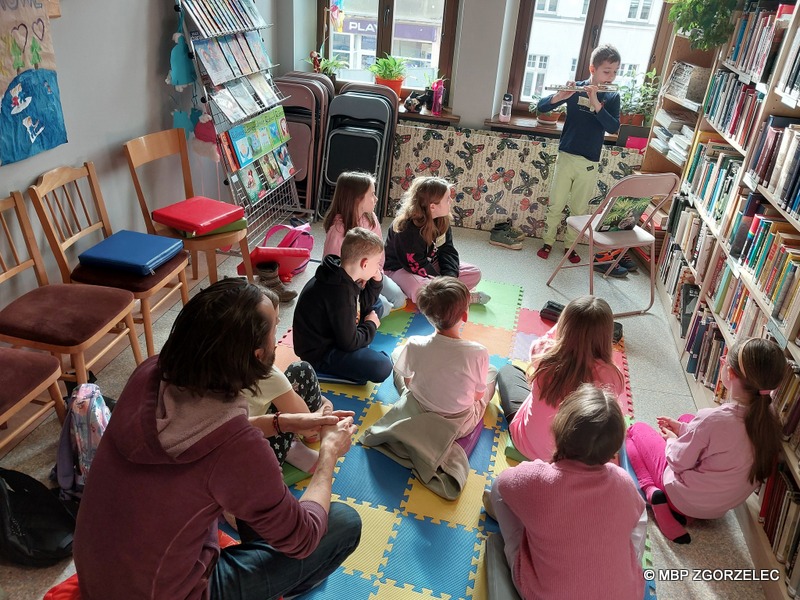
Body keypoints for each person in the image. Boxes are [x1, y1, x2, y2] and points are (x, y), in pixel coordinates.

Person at [73, 278, 362, 600]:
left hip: (99, 576)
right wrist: (329, 455)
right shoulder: (238, 448)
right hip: (171, 593)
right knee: (342, 522)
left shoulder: (150, 372)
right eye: (274, 332)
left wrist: (282, 422)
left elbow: (201, 437)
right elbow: (304, 538)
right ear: (256, 356)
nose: (278, 342)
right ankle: (288, 589)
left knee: (259, 494)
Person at [485, 383, 646, 600]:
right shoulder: (624, 483)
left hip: (544, 594)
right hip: (626, 594)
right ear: (614, 448)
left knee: (499, 490)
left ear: (560, 429)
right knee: (636, 515)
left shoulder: (538, 479)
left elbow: (502, 484)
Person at [626, 337, 787, 544]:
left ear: (729, 373)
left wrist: (672, 440)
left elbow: (677, 461)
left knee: (634, 431)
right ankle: (683, 511)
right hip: (716, 508)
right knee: (687, 419)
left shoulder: (714, 419)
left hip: (683, 497)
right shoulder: (769, 417)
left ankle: (653, 494)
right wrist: (684, 429)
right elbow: (718, 439)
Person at [535, 44, 634, 278]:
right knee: (556, 203)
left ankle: (570, 246)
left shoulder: (611, 96)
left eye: (615, 72)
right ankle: (548, 241)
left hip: (589, 161)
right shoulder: (576, 88)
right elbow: (541, 108)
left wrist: (596, 101)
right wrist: (561, 96)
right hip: (567, 155)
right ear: (593, 69)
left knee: (579, 209)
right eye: (606, 71)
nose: (611, 77)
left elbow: (612, 127)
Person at [499, 295, 625, 462]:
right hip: (574, 461)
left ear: (565, 325)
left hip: (528, 445)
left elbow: (548, 339)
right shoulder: (612, 376)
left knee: (508, 371)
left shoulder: (544, 353)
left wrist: (567, 323)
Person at [244, 287, 354, 474]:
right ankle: (292, 447)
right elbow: (308, 425)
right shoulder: (267, 375)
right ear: (258, 352)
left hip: (231, 448)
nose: (279, 326)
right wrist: (325, 404)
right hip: (259, 458)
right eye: (275, 325)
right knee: (301, 369)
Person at [393, 276, 496, 437]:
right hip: (458, 424)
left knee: (398, 354)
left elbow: (408, 383)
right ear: (465, 316)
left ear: (427, 314)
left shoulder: (414, 343)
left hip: (419, 410)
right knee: (493, 372)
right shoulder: (478, 352)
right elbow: (477, 396)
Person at [293, 227, 393, 385]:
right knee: (383, 366)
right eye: (377, 264)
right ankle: (335, 368)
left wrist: (377, 280)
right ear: (364, 264)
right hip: (320, 352)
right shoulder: (339, 292)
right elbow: (349, 343)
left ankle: (362, 346)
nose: (378, 268)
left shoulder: (340, 270)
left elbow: (362, 303)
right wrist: (371, 325)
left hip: (334, 331)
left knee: (377, 305)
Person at [384, 176, 490, 306]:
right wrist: (442, 283)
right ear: (432, 207)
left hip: (430, 264)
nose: (451, 201)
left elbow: (448, 250)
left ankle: (447, 297)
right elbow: (415, 265)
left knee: (474, 273)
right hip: (402, 269)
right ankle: (461, 298)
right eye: (447, 199)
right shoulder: (406, 228)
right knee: (420, 289)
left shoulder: (441, 219)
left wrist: (450, 277)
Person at [322, 171, 407, 316]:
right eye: (372, 195)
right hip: (351, 284)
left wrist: (375, 275)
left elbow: (380, 252)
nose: (376, 198)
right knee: (384, 307)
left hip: (372, 274)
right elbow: (333, 267)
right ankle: (355, 312)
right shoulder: (338, 230)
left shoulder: (371, 218)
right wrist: (361, 283)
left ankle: (364, 309)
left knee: (399, 299)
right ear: (357, 199)